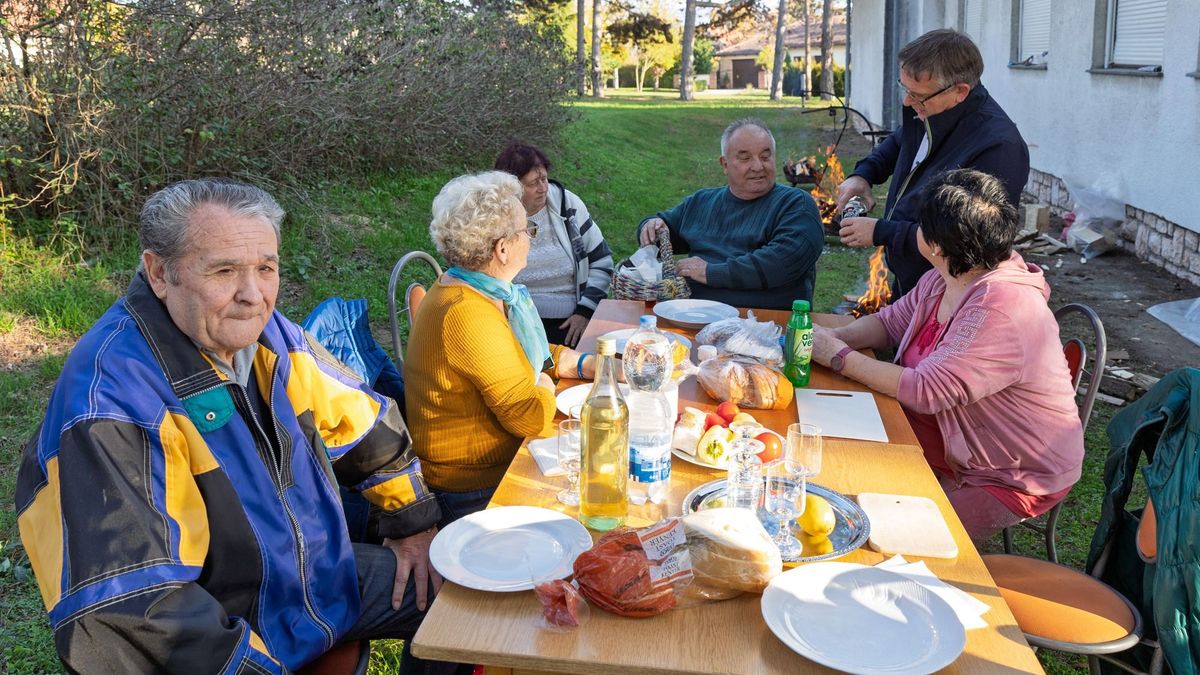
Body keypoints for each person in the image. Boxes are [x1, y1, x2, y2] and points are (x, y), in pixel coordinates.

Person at [14, 179, 444, 673]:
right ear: (159, 273)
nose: (253, 295)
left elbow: (363, 423)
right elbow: (135, 614)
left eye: (266, 268)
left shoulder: (270, 336)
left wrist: (413, 523)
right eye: (224, 270)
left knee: (465, 591)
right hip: (232, 627)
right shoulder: (110, 401)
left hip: (316, 580)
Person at [812, 169, 1083, 543]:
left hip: (1006, 473)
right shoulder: (947, 275)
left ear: (937, 245)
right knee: (827, 457)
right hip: (945, 434)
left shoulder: (1002, 307)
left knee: (889, 539)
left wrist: (838, 356)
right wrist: (833, 336)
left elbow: (927, 390)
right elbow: (890, 322)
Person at [405, 171, 605, 526]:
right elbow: (531, 417)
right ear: (502, 248)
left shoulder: (480, 289)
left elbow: (521, 355)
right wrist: (546, 381)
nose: (531, 236)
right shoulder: (466, 313)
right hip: (475, 489)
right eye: (527, 229)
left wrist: (588, 364)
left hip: (498, 464)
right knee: (592, 501)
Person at [835, 29, 1030, 298]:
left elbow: (964, 238)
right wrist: (864, 174)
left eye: (916, 95)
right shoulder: (932, 108)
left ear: (960, 91)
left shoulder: (998, 148)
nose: (907, 101)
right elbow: (900, 142)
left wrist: (883, 232)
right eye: (904, 89)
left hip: (948, 295)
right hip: (910, 285)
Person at [637, 118, 824, 309]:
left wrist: (711, 272)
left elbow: (782, 262)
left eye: (765, 157)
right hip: (692, 316)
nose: (758, 166)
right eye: (745, 158)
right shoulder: (702, 202)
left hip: (767, 324)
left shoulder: (795, 204)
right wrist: (650, 225)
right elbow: (662, 232)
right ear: (724, 164)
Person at [494, 143, 613, 347]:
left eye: (544, 178)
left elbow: (601, 260)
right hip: (513, 322)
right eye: (533, 183)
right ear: (512, 189)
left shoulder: (568, 207)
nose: (543, 189)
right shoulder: (495, 219)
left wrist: (585, 311)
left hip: (569, 323)